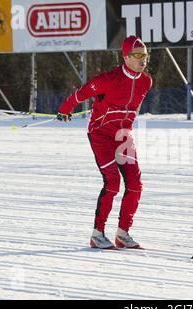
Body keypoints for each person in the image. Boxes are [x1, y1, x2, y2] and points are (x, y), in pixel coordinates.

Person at [56, 36, 152, 249]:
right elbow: (81, 94)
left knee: (135, 184)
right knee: (112, 182)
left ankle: (123, 234)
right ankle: (97, 234)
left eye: (145, 55)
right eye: (137, 55)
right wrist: (65, 108)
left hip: (123, 135)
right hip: (101, 135)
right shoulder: (108, 79)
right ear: (125, 57)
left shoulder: (146, 80)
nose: (142, 59)